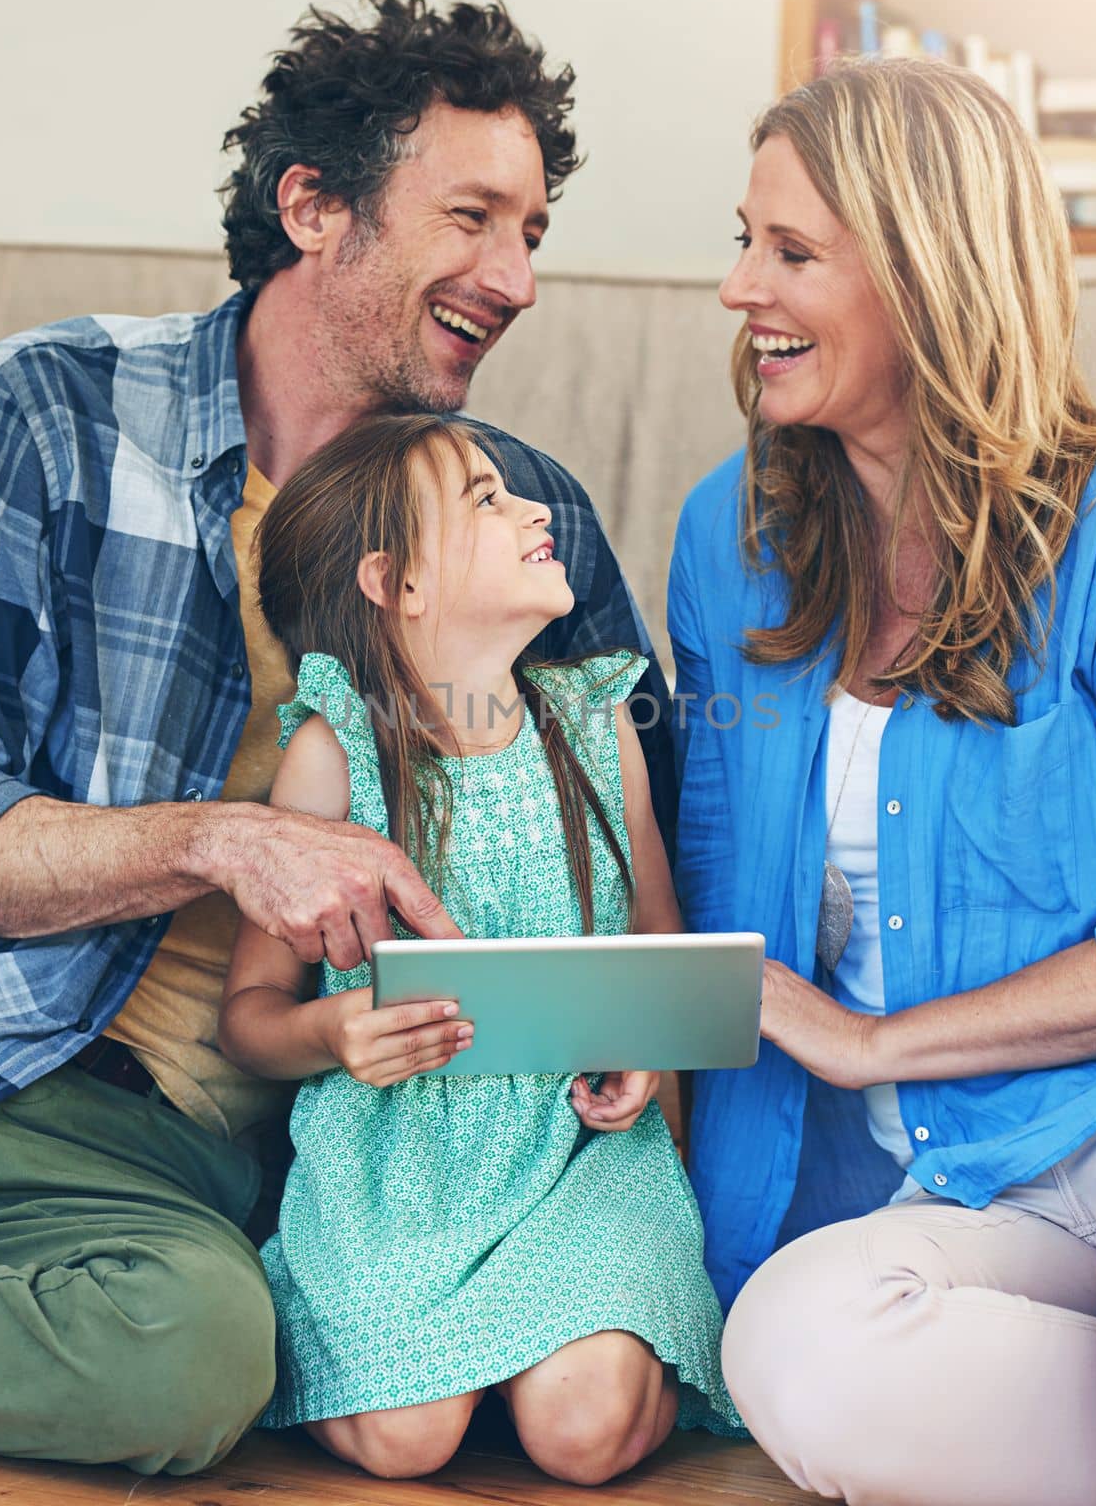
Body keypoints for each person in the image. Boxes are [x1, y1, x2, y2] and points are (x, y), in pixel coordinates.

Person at [0, 0, 673, 1475]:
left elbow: (626, 855)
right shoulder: (50, 405)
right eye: (476, 218)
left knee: (199, 1362)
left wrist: (616, 1074)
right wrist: (227, 843)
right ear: (315, 205)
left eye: (535, 234)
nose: (516, 277)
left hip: (165, 1164)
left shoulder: (522, 520)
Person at [669, 56, 1096, 1506]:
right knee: (795, 1352)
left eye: (789, 251)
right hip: (977, 1160)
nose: (739, 289)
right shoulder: (731, 538)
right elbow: (734, 901)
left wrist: (871, 1044)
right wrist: (657, 1066)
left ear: (923, 274)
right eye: (745, 241)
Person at [218, 411, 737, 1482]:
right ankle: (469, 1363)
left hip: (579, 1155)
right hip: (397, 1170)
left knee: (584, 1434)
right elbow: (251, 1019)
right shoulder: (332, 759)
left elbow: (659, 946)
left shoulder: (595, 725)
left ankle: (530, 1354)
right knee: (407, 1440)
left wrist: (648, 1056)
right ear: (393, 582)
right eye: (487, 500)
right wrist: (333, 1028)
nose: (536, 509)